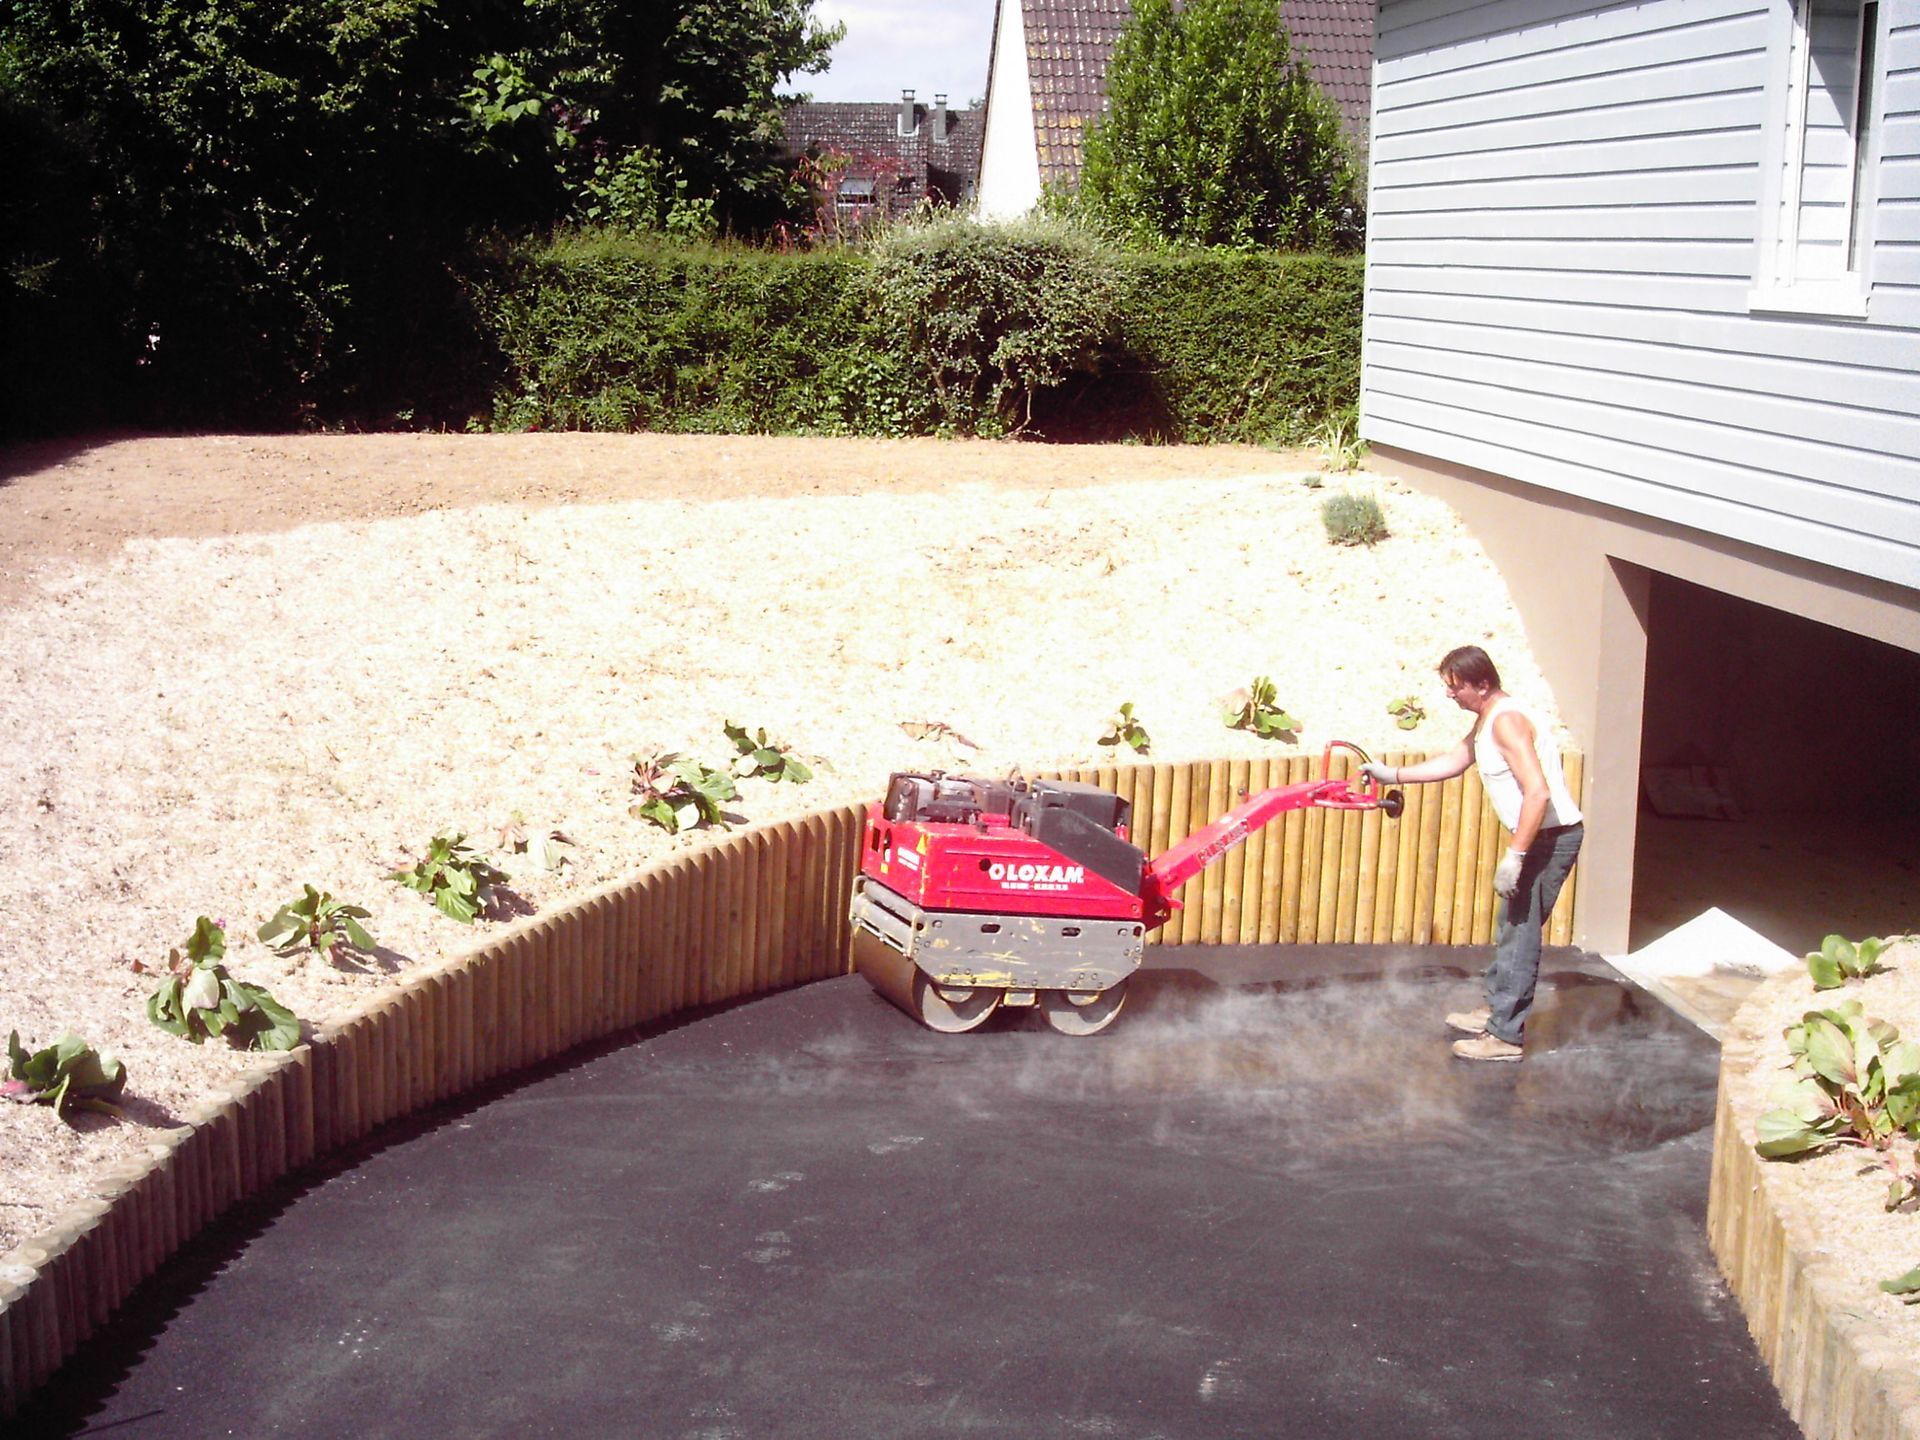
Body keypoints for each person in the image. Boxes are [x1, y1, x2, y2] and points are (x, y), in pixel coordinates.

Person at [1360, 646, 1584, 1062]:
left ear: (1482, 685)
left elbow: (1537, 792)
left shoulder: (1508, 723)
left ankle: (1505, 1036)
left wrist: (1516, 856)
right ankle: (1497, 1010)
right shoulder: (1488, 718)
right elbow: (1454, 761)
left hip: (1549, 839)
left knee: (1519, 933)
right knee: (1510, 925)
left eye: (1456, 687)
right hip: (1538, 837)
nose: (1450, 694)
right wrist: (1394, 774)